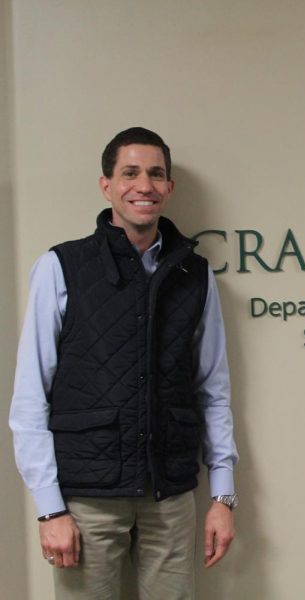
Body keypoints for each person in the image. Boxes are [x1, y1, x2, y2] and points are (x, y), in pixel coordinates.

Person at [9, 127, 239, 599]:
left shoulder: (194, 274)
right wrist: (50, 509)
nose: (145, 185)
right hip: (86, 501)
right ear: (107, 185)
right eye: (130, 173)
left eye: (156, 174)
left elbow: (213, 390)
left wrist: (222, 495)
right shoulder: (60, 266)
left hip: (169, 498)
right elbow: (31, 395)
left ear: (169, 188)